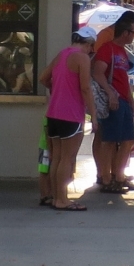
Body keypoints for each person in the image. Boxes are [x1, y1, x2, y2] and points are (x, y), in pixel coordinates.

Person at [44, 25, 100, 210]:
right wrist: (93, 115)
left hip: (53, 113)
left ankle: (56, 197)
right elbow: (85, 88)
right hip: (71, 114)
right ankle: (63, 200)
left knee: (57, 157)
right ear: (89, 44)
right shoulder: (82, 58)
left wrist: (56, 89)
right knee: (67, 158)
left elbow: (43, 78)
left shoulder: (62, 54)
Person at [92, 10, 134, 192]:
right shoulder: (107, 48)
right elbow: (97, 73)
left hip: (124, 101)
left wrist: (131, 101)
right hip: (113, 102)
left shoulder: (122, 51)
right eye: (133, 32)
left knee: (128, 139)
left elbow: (123, 78)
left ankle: (119, 176)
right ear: (125, 32)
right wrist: (110, 93)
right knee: (109, 140)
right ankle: (106, 179)